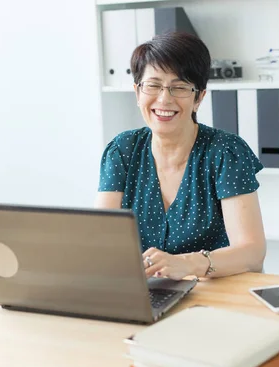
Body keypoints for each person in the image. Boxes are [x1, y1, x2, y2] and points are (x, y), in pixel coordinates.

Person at [94, 31, 266, 280]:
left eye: (180, 87)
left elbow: (252, 254)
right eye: (153, 85)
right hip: (144, 293)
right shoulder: (122, 150)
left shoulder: (225, 152)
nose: (164, 99)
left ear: (199, 97)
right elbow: (100, 239)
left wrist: (189, 264)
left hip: (213, 291)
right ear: (137, 92)